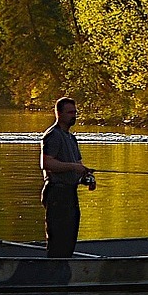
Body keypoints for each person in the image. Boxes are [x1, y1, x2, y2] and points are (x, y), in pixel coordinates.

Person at [41, 96, 94, 258]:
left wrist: (87, 177)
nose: (74, 115)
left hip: (70, 194)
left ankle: (65, 271)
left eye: (75, 112)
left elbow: (78, 165)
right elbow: (47, 163)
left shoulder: (71, 138)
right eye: (70, 112)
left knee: (69, 239)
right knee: (58, 241)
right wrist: (73, 167)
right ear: (59, 114)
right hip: (56, 193)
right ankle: (54, 275)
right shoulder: (53, 135)